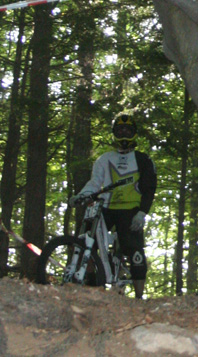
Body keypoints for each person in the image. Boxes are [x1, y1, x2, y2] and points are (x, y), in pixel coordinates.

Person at [69, 111, 157, 299]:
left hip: (131, 210)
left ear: (134, 133)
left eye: (128, 130)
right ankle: (91, 284)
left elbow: (149, 188)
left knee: (134, 249)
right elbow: (95, 183)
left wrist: (142, 212)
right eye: (120, 131)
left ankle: (139, 297)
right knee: (86, 240)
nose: (124, 134)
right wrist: (81, 196)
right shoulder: (104, 159)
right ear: (114, 133)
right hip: (106, 208)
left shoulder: (143, 159)